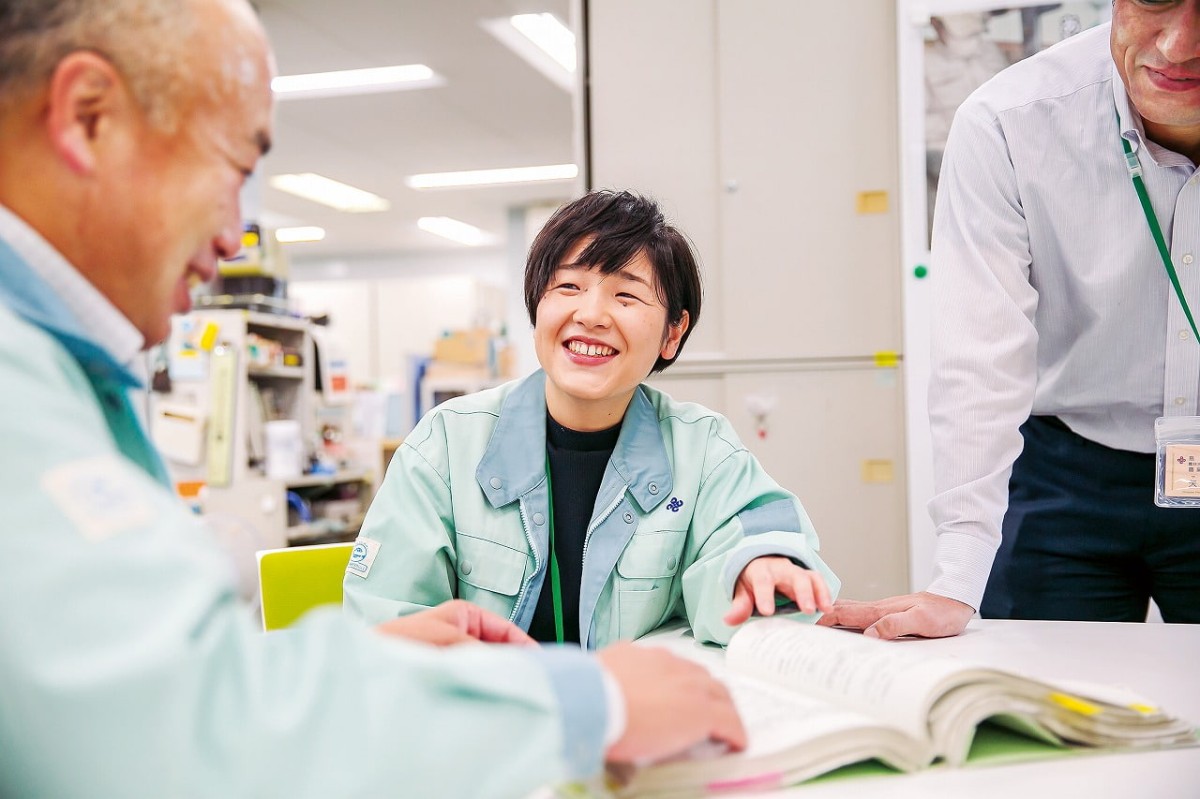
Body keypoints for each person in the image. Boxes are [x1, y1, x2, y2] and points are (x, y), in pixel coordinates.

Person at [0, 2, 747, 796]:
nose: (233, 236)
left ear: (673, 331)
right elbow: (171, 730)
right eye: (236, 171)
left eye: (627, 296)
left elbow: (161, 682)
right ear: (89, 118)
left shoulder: (68, 370)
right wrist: (583, 704)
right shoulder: (24, 386)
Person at [825, 0, 1200, 640]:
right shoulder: (1009, 124)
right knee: (1044, 710)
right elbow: (981, 358)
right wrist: (958, 573)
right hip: (1065, 471)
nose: (1179, 43)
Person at [344, 190, 840, 649]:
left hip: (641, 725)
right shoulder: (447, 444)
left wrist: (758, 563)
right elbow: (385, 624)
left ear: (673, 332)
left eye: (626, 296)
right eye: (568, 286)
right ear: (537, 305)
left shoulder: (702, 449)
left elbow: (757, 529)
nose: (592, 314)